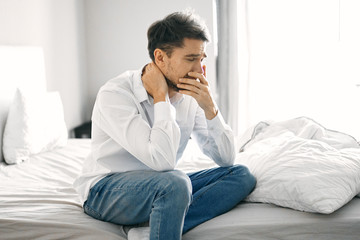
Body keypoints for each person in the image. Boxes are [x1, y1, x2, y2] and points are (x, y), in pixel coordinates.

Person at [74, 10, 256, 240]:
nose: (199, 70)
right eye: (191, 59)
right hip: (106, 191)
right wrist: (161, 97)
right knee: (175, 182)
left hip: (164, 186)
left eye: (202, 59)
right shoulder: (115, 94)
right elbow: (162, 162)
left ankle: (151, 230)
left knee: (241, 175)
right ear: (160, 58)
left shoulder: (189, 94)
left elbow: (226, 158)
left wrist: (210, 108)